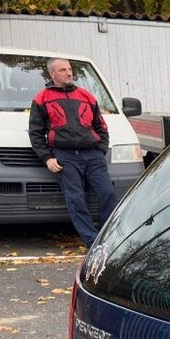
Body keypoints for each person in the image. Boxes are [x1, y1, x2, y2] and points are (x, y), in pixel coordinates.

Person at [28, 57, 118, 246]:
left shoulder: (86, 96)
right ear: (52, 74)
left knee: (108, 193)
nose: (68, 73)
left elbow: (101, 127)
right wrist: (47, 158)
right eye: (62, 70)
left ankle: (106, 239)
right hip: (64, 156)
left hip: (92, 155)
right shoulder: (41, 99)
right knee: (76, 199)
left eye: (69, 69)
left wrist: (100, 150)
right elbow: (35, 134)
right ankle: (92, 242)